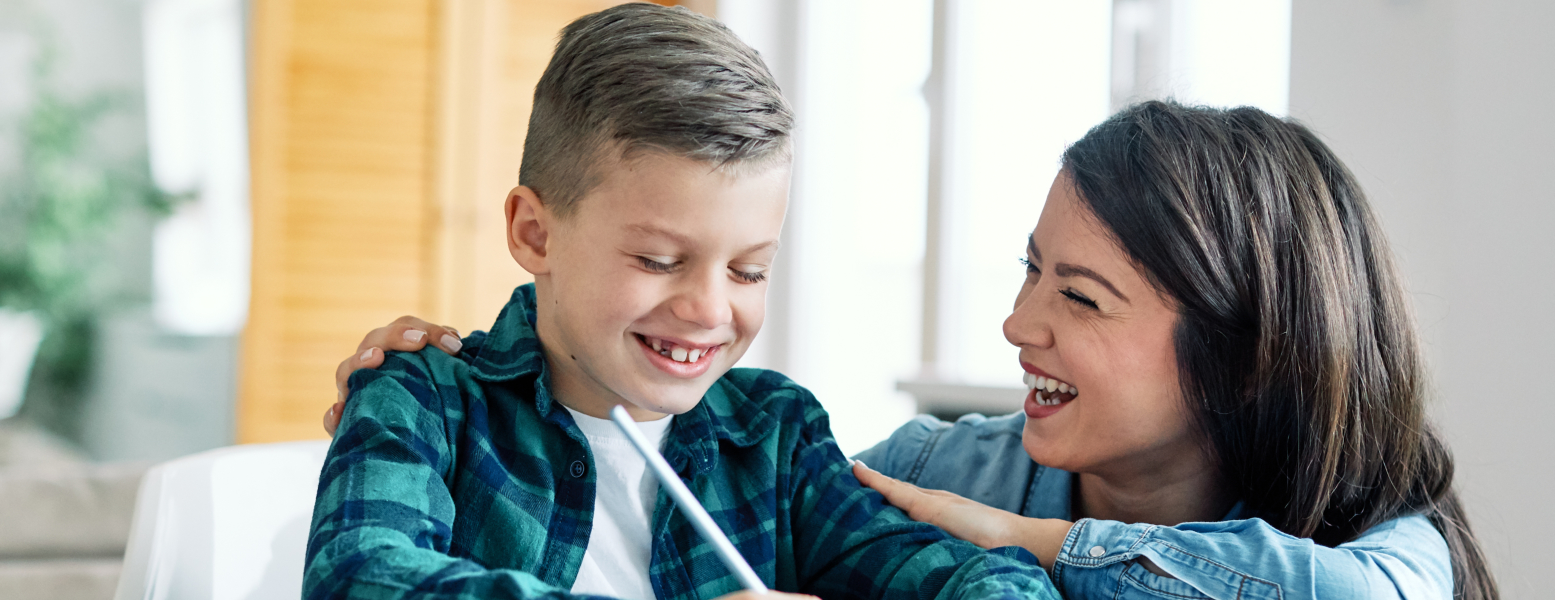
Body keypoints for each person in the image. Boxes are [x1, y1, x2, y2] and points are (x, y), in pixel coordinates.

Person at [329, 102, 1499, 599]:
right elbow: (807, 506)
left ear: (1248, 356)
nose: (1017, 326)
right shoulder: (940, 477)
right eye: (1027, 270)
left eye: (1081, 296)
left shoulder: (1381, 541)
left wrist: (1038, 545)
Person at [302, 4, 1053, 600]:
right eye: (659, 261)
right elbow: (359, 580)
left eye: (749, 272)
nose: (706, 309)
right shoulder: (423, 397)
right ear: (535, 234)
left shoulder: (775, 437)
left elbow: (991, 582)